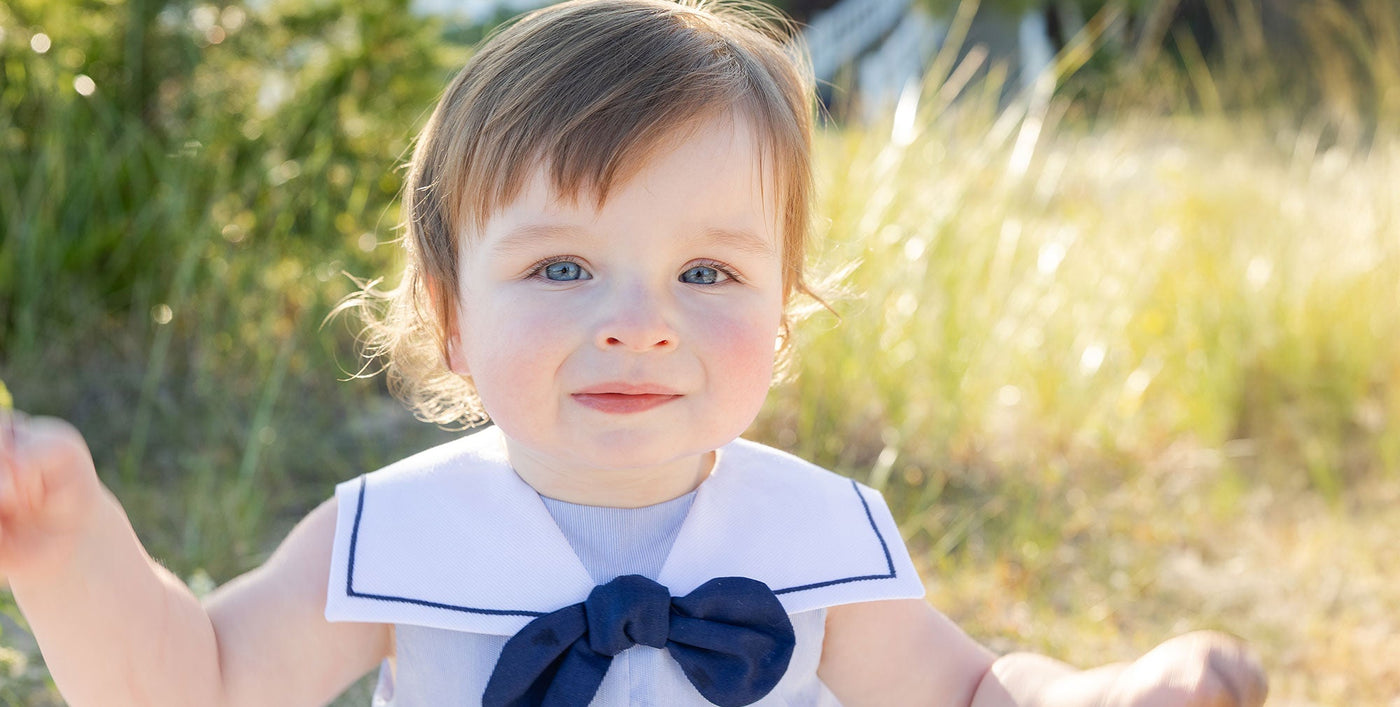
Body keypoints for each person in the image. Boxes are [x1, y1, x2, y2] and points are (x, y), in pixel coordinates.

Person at [0, 0, 1267, 705]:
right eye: (561, 266)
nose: (638, 318)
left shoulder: (819, 531)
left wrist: (1090, 697)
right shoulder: (390, 534)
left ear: (779, 311)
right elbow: (202, 686)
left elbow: (973, 691)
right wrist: (67, 544)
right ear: (447, 311)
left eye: (705, 272)